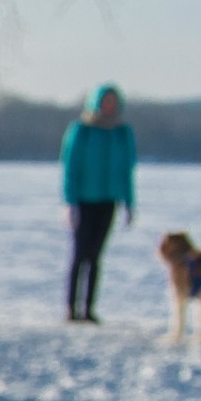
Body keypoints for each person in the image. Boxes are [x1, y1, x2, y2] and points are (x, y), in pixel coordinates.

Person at [59, 83, 137, 323]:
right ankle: (72, 308)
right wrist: (70, 202)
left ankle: (89, 308)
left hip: (108, 200)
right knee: (80, 254)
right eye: (105, 101)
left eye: (113, 101)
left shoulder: (121, 133)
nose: (109, 106)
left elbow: (127, 170)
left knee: (95, 256)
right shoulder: (81, 130)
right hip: (84, 200)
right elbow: (70, 168)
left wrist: (129, 202)